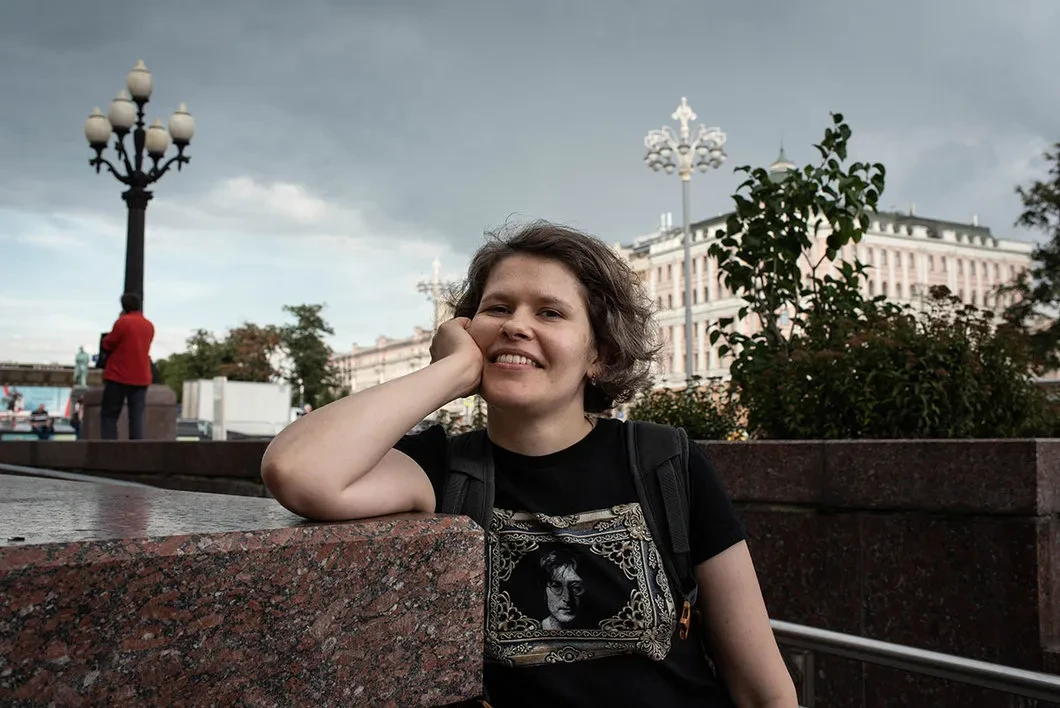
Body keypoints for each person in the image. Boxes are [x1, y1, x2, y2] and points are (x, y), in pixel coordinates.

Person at [261, 221, 797, 707]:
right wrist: (451, 372)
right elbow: (298, 469)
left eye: (550, 312)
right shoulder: (443, 469)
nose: (516, 326)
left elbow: (764, 690)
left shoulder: (665, 462)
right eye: (498, 309)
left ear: (599, 354)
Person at [100, 293, 155, 440]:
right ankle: (135, 448)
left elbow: (108, 343)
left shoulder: (123, 322)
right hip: (141, 376)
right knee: (136, 416)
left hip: (118, 374)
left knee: (110, 414)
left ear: (124, 306)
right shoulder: (148, 325)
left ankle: (109, 447)